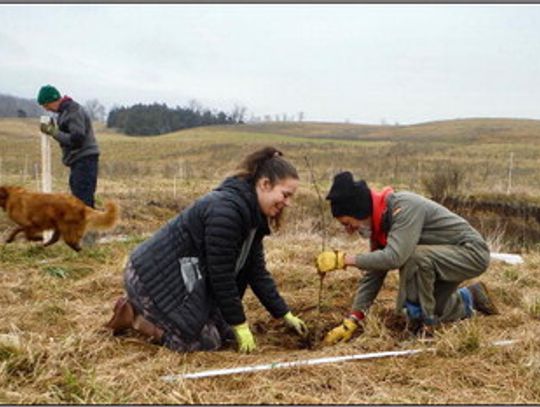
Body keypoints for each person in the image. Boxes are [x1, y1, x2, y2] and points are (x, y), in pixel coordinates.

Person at [105, 147, 308, 353]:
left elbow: (256, 272)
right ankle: (136, 318)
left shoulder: (252, 218)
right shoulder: (226, 212)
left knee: (226, 335)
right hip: (150, 278)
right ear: (265, 184)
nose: (288, 203)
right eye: (285, 194)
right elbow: (221, 274)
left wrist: (283, 313)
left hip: (182, 279)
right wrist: (240, 323)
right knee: (203, 344)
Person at [315, 171, 498, 345]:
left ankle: (421, 326)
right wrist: (354, 319)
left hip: (471, 253)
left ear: (360, 211)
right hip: (444, 255)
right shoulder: (381, 227)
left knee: (414, 259)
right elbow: (374, 274)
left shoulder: (403, 207)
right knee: (433, 305)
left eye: (348, 223)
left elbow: (395, 257)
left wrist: (344, 260)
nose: (349, 230)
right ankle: (470, 298)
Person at [37, 84, 100, 209]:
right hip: (79, 161)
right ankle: (85, 226)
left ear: (52, 100)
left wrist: (53, 132)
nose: (47, 109)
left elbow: (77, 139)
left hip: (84, 160)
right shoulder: (65, 112)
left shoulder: (72, 111)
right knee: (79, 198)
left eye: (46, 105)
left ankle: (87, 227)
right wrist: (55, 130)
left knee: (82, 201)